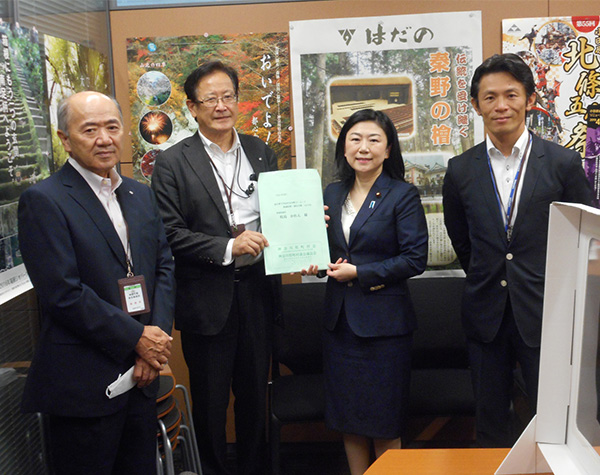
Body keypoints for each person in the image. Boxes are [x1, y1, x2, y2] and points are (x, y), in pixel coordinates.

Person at [18, 91, 175, 474]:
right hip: (83, 385)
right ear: (65, 139)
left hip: (142, 376)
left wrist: (153, 345)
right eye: (89, 130)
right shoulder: (44, 200)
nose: (104, 139)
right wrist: (136, 338)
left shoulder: (140, 194)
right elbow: (63, 293)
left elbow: (164, 267)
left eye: (112, 127)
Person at [442, 53, 593, 447]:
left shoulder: (562, 163)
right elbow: (462, 239)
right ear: (476, 105)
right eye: (489, 97)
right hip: (485, 312)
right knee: (489, 422)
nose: (501, 106)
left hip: (547, 311)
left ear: (529, 99)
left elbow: (585, 233)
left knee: (553, 421)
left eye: (511, 95)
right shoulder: (460, 169)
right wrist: (488, 273)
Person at [151, 61, 280, 475]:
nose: (222, 106)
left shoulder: (260, 151)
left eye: (228, 96)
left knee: (255, 398)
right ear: (192, 107)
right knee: (210, 404)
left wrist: (306, 222)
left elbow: (280, 212)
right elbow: (169, 233)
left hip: (257, 292)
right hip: (206, 298)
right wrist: (227, 246)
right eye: (211, 99)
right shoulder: (172, 162)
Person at [304, 109, 428, 474]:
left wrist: (360, 273)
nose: (363, 148)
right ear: (343, 147)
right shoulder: (331, 193)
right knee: (349, 418)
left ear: (388, 150)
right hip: (340, 325)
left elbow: (414, 259)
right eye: (355, 139)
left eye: (374, 140)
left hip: (384, 328)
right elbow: (328, 254)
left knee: (384, 420)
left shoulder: (402, 194)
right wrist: (313, 262)